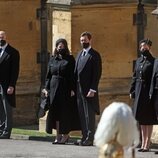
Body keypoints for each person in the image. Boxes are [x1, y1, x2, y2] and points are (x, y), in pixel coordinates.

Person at [42, 38, 80, 144]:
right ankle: (57, 135)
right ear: (56, 47)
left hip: (65, 89)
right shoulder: (52, 59)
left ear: (65, 47)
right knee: (55, 112)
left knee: (65, 113)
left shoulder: (70, 59)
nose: (60, 47)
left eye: (62, 46)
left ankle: (65, 135)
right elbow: (48, 76)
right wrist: (46, 88)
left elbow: (73, 76)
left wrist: (73, 89)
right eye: (59, 45)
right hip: (53, 89)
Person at [129, 38, 158, 152]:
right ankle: (142, 143)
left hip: (147, 92)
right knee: (141, 118)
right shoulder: (138, 61)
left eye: (145, 47)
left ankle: (147, 143)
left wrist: (152, 93)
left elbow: (153, 79)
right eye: (141, 47)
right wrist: (132, 91)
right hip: (138, 91)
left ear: (149, 47)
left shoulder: (153, 62)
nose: (143, 48)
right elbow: (135, 77)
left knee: (148, 119)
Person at [74, 31, 102, 146]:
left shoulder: (94, 55)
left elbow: (97, 73)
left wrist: (93, 89)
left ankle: (90, 138)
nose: (83, 42)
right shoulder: (80, 54)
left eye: (85, 40)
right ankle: (84, 136)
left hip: (89, 90)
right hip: (79, 89)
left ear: (90, 40)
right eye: (81, 41)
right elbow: (76, 72)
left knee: (89, 115)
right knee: (81, 113)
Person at [0, 30, 20, 139]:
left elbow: (15, 71)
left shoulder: (13, 52)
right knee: (0, 109)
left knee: (7, 109)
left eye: (2, 37)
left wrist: (12, 85)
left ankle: (7, 131)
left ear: (6, 38)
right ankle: (1, 129)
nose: (0, 39)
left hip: (7, 85)